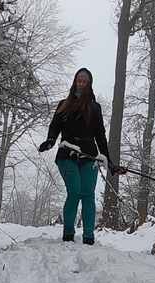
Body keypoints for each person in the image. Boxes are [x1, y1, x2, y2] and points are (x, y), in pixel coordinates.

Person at [38, 68, 126, 245]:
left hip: (89, 156)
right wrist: (50, 141)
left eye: (85, 80)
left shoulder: (94, 107)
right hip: (67, 153)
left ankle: (88, 237)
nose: (81, 82)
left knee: (88, 195)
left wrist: (109, 161)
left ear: (89, 83)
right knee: (75, 191)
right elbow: (54, 126)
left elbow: (100, 135)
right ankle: (68, 234)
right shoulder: (64, 104)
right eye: (79, 79)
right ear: (75, 81)